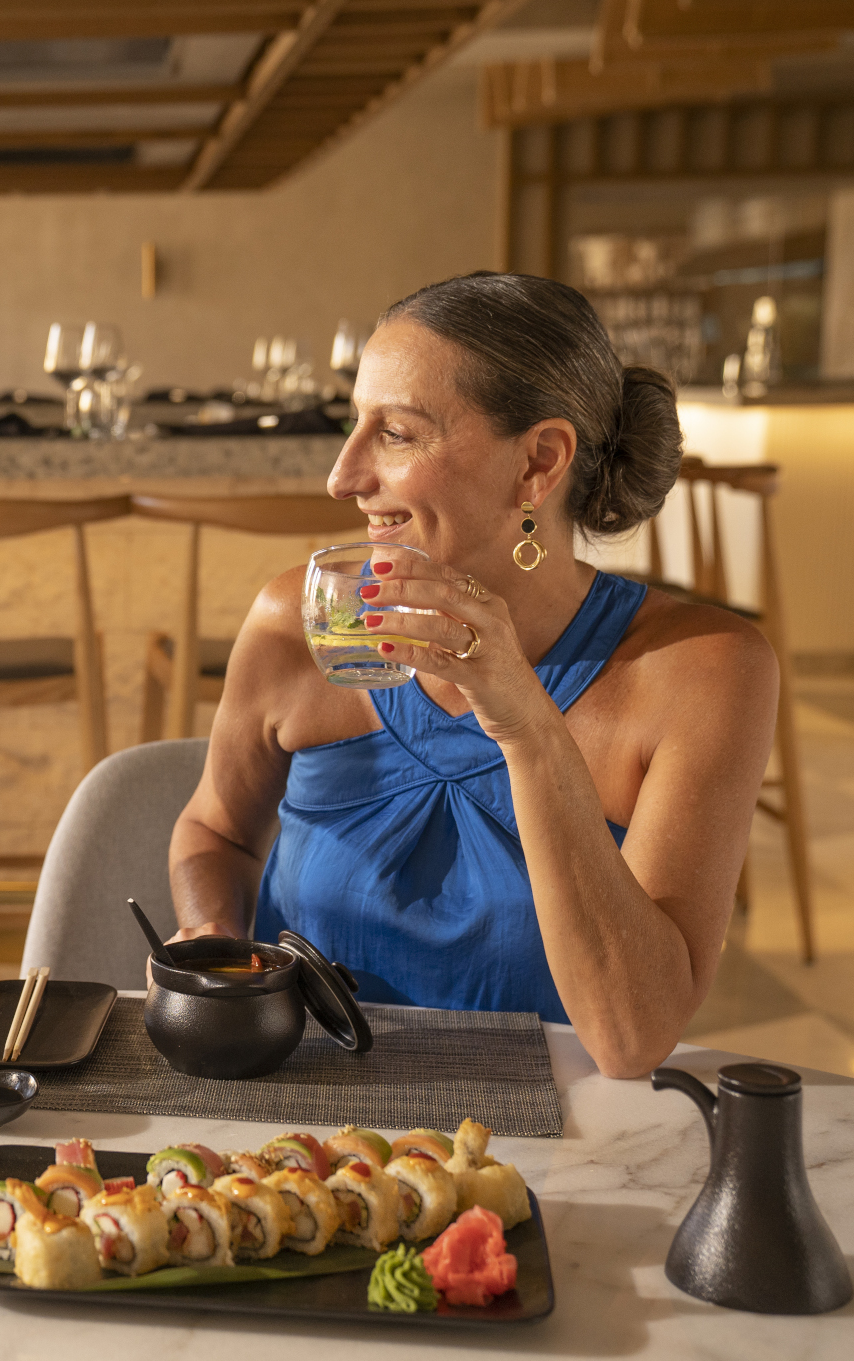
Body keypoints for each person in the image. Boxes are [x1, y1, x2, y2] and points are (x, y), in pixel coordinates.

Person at [168, 272, 777, 1079]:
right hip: (296, 1130)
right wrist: (212, 938)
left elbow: (632, 1039)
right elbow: (215, 831)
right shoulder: (298, 621)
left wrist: (524, 721)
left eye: (396, 433)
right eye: (355, 425)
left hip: (546, 1146)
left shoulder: (698, 672)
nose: (342, 477)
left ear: (536, 463)